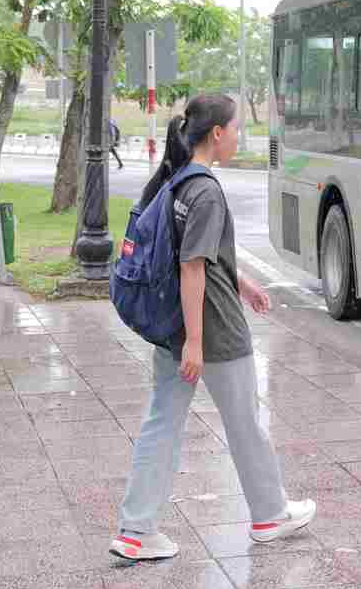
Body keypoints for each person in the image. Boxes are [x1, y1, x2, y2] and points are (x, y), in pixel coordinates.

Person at [111, 95, 316, 561]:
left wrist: (242, 282)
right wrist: (197, 344)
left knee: (161, 424)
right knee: (244, 421)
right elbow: (191, 267)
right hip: (213, 330)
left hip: (173, 327)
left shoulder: (179, 181)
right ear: (218, 133)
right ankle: (269, 514)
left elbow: (198, 255)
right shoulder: (204, 190)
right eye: (236, 128)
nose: (239, 136)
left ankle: (135, 530)